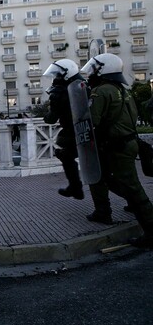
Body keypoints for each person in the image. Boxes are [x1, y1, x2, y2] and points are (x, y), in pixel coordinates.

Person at [80, 53, 153, 248]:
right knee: (106, 179)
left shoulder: (101, 91)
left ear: (103, 70)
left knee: (133, 188)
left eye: (94, 70)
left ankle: (151, 231)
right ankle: (114, 209)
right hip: (127, 143)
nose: (90, 74)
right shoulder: (123, 90)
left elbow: (91, 121)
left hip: (117, 146)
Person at [42, 59, 85, 200]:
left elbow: (51, 119)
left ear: (66, 74)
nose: (55, 78)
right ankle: (76, 188)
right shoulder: (83, 86)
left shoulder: (60, 92)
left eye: (58, 74)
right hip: (88, 131)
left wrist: (47, 114)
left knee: (66, 156)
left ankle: (76, 187)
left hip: (73, 133)